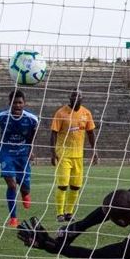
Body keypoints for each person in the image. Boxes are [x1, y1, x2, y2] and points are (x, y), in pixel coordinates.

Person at [0, 90, 39, 227]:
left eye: (20, 102)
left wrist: (31, 150)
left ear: (24, 103)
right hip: (6, 152)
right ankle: (13, 217)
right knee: (11, 184)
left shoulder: (31, 119)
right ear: (9, 103)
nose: (17, 105)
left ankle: (25, 194)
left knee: (25, 187)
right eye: (14, 103)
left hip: (23, 153)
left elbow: (32, 136)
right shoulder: (1, 117)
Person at [51, 90, 98, 222]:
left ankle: (69, 213)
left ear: (82, 98)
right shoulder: (61, 113)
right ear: (69, 97)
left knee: (76, 186)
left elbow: (90, 132)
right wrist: (52, 152)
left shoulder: (86, 113)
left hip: (78, 155)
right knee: (63, 185)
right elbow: (53, 133)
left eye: (79, 96)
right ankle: (60, 213)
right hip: (63, 154)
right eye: (73, 95)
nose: (76, 98)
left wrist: (94, 150)